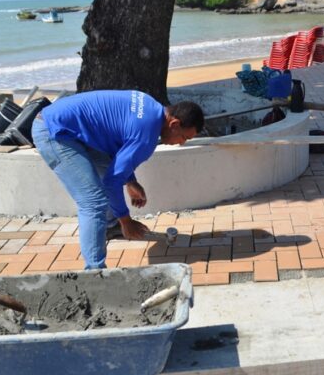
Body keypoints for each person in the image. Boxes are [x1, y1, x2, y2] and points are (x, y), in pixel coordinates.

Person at [31, 90, 204, 269]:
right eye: (184, 137)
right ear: (174, 124)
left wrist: (130, 181)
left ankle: (110, 226)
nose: (181, 143)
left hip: (67, 124)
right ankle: (95, 272)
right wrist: (126, 220)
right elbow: (112, 181)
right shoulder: (146, 138)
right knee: (93, 201)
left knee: (107, 169)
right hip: (54, 131)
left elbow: (116, 142)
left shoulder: (151, 106)